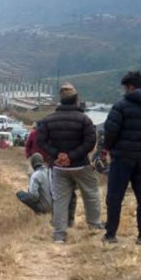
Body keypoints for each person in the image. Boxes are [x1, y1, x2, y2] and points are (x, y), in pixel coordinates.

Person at [102, 71, 141, 245]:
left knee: (115, 197)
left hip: (122, 158)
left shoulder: (121, 106)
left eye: (125, 88)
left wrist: (107, 148)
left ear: (130, 86)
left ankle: (110, 234)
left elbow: (110, 132)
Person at [37, 82, 103, 244]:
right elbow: (90, 142)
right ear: (76, 99)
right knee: (91, 194)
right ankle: (94, 227)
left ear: (61, 100)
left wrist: (58, 155)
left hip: (59, 167)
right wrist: (72, 156)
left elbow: (41, 141)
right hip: (81, 165)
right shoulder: (84, 120)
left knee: (60, 200)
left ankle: (59, 234)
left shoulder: (48, 120)